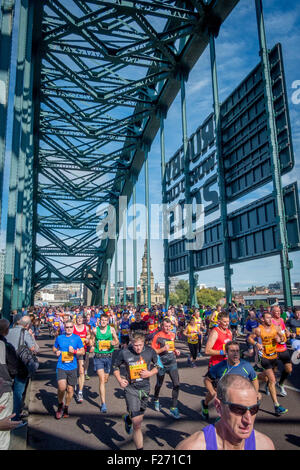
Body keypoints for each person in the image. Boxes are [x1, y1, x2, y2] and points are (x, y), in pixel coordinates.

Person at [176, 374, 275, 450]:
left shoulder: (264, 445)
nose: (248, 420)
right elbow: (207, 379)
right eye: (239, 409)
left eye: (254, 409)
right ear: (218, 407)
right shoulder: (193, 447)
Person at [112, 332, 158, 450]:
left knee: (139, 416)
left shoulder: (150, 351)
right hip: (131, 389)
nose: (138, 348)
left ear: (144, 343)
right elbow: (115, 367)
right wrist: (119, 380)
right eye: (135, 345)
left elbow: (159, 365)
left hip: (145, 388)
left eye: (140, 345)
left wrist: (150, 372)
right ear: (131, 343)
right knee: (137, 424)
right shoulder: (124, 352)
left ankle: (128, 418)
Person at [202, 341, 259, 421]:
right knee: (214, 392)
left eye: (237, 351)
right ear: (227, 353)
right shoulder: (219, 367)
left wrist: (256, 392)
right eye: (232, 351)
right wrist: (213, 393)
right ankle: (205, 404)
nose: (235, 354)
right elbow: (207, 380)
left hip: (239, 396)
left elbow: (254, 379)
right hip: (224, 395)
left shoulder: (246, 366)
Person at [248, 312, 287, 416]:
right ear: (263, 319)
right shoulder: (259, 329)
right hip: (264, 357)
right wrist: (257, 344)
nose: (270, 319)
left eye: (271, 317)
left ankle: (253, 378)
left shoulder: (276, 328)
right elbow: (250, 338)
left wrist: (280, 339)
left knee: (266, 378)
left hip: (274, 356)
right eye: (268, 318)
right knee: (272, 380)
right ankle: (277, 406)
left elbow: (283, 338)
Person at [6, 315, 38, 421]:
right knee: (18, 391)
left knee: (7, 390)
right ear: (28, 325)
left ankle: (6, 414)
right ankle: (15, 417)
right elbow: (34, 349)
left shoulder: (8, 331)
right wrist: (31, 336)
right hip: (20, 365)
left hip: (7, 365)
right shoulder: (25, 333)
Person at [53, 320, 84, 419]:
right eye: (67, 327)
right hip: (61, 366)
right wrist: (56, 351)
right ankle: (60, 404)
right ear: (64, 328)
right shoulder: (60, 338)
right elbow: (54, 348)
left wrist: (74, 351)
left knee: (70, 389)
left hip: (72, 367)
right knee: (62, 387)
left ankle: (66, 407)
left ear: (73, 327)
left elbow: (82, 351)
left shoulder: (76, 338)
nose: (69, 329)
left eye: (71, 327)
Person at [151, 317, 181, 419]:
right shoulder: (157, 336)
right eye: (165, 326)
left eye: (169, 326)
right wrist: (163, 349)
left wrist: (175, 351)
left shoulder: (172, 335)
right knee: (159, 383)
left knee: (176, 384)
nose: (167, 328)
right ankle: (156, 399)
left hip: (172, 362)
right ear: (162, 326)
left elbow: (172, 347)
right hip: (161, 363)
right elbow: (153, 351)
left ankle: (173, 407)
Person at [0, 319, 22, 450]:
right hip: (3, 390)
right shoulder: (5, 346)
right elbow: (14, 369)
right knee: (3, 431)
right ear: (6, 331)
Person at [91, 313, 119, 413]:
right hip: (98, 357)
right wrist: (92, 345)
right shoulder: (95, 330)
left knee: (106, 379)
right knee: (102, 380)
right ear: (100, 320)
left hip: (108, 357)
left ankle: (105, 377)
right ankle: (103, 403)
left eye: (105, 320)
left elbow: (117, 340)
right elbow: (91, 341)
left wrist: (114, 343)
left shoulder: (111, 330)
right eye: (102, 320)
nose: (103, 322)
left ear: (108, 321)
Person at [271, 306, 292, 397]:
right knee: (273, 371)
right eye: (276, 311)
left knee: (289, 369)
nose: (278, 313)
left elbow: (284, 329)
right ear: (272, 312)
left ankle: (280, 384)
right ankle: (269, 385)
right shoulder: (270, 321)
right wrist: (275, 337)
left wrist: (288, 332)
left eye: (279, 311)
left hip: (283, 348)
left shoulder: (282, 320)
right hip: (274, 349)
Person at [73, 315, 91, 403]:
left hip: (82, 352)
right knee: (73, 370)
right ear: (75, 320)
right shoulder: (73, 328)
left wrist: (87, 339)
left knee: (81, 371)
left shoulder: (86, 328)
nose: (79, 320)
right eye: (78, 318)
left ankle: (80, 392)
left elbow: (89, 335)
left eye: (81, 318)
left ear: (83, 320)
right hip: (73, 352)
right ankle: (73, 383)